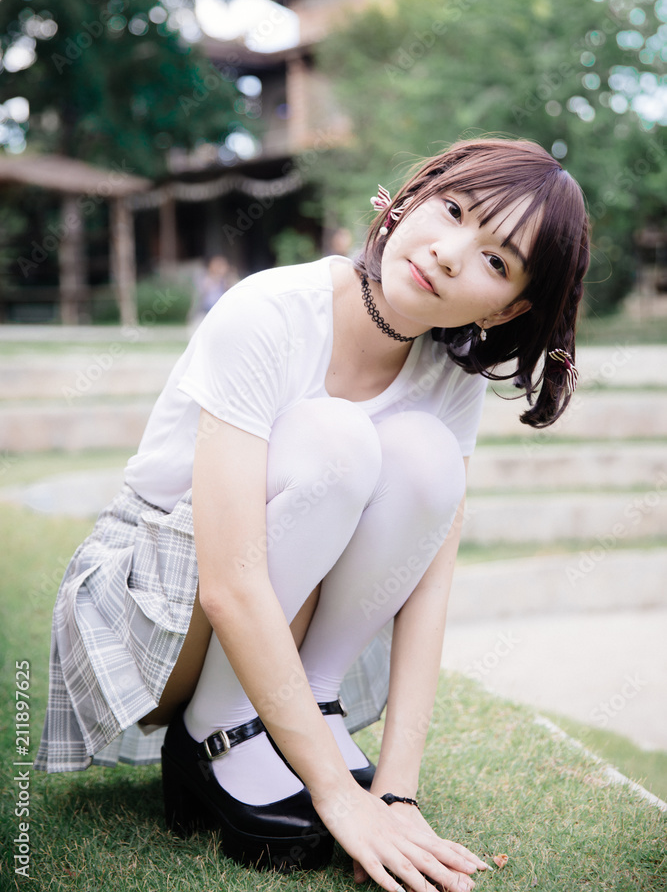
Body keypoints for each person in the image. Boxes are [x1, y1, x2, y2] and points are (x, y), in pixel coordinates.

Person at [36, 137, 589, 892]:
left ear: (510, 308)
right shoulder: (271, 309)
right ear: (414, 195)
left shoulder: (447, 372)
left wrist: (395, 794)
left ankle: (310, 704)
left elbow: (425, 585)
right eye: (453, 210)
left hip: (271, 619)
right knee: (336, 437)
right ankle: (219, 728)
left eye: (496, 262)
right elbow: (229, 583)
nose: (451, 253)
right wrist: (337, 795)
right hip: (141, 608)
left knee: (425, 458)